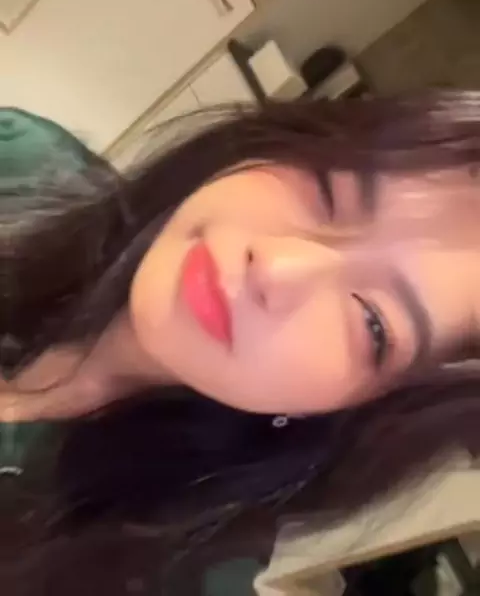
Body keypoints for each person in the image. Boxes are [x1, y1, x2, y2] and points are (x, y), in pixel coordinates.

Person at [0, 95, 479, 595]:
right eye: (327, 191)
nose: (279, 266)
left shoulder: (161, 570)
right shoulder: (18, 165)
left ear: (370, 407)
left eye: (372, 322)